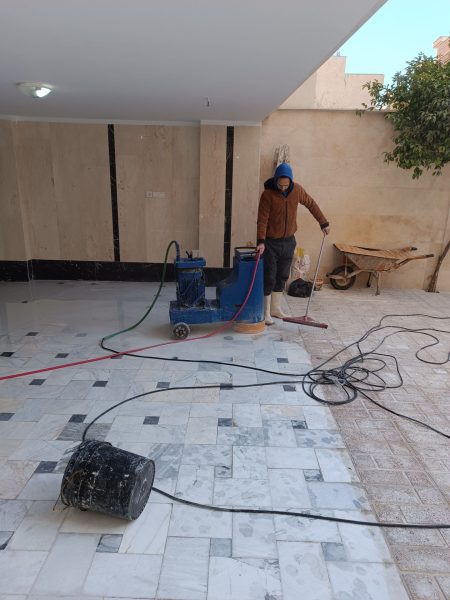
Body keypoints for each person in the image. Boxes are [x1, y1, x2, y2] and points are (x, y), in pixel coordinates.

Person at [256, 162, 329, 325]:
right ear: (275, 180)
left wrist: (323, 223)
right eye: (280, 185)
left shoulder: (297, 190)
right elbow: (262, 220)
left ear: (290, 181)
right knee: (269, 276)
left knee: (282, 275)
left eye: (286, 185)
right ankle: (265, 312)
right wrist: (261, 241)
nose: (283, 188)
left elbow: (311, 204)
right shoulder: (267, 195)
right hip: (270, 243)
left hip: (289, 241)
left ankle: (275, 308)